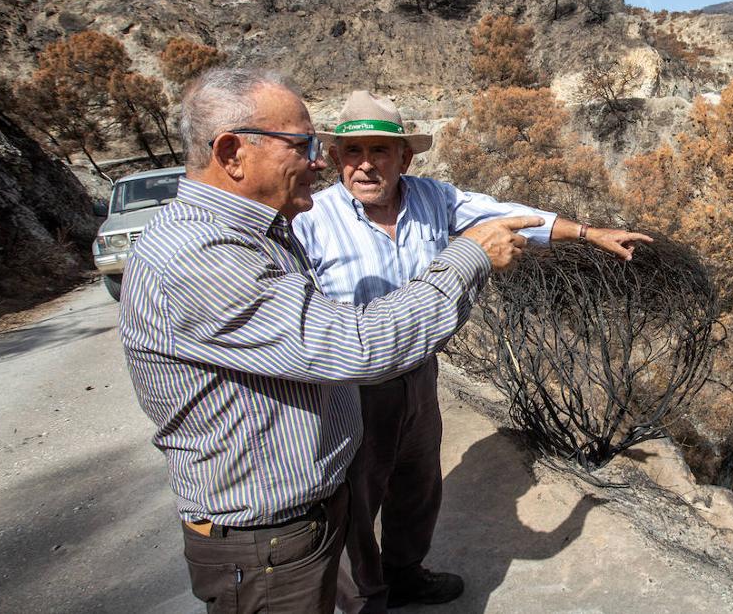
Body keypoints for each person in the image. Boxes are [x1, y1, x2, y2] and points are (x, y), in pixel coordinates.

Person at [118, 69, 539, 614]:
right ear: (231, 153)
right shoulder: (202, 255)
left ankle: (398, 580)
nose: (320, 163)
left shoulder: (259, 234)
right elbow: (358, 346)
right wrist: (469, 256)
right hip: (269, 541)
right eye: (302, 146)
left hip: (295, 521)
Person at [291, 90, 651, 612]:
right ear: (336, 158)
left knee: (417, 483)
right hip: (350, 386)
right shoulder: (311, 219)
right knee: (354, 499)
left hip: (419, 372)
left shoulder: (432, 198)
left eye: (379, 151)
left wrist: (589, 232)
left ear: (404, 158)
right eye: (353, 151)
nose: (365, 164)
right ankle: (364, 600)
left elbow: (505, 215)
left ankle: (405, 574)